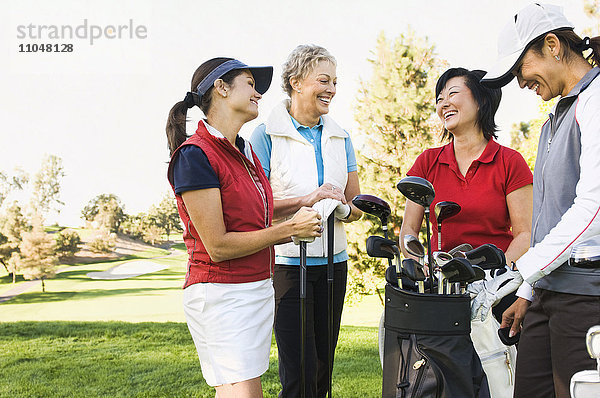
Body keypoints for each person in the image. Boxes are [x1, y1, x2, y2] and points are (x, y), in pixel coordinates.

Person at [165, 57, 322, 398]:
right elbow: (217, 245)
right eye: (250, 84)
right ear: (221, 88)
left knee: (239, 392)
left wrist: (308, 199)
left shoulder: (245, 150)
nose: (258, 94)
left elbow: (258, 212)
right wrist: (290, 230)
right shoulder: (196, 155)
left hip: (255, 290)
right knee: (246, 394)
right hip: (222, 294)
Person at [479, 3, 600, 397]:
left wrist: (521, 271)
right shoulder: (553, 121)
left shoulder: (595, 102)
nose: (519, 83)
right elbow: (551, 215)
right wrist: (529, 290)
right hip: (548, 291)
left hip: (586, 296)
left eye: (520, 69)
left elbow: (592, 207)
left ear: (552, 45)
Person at [250, 45, 362, 398]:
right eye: (323, 80)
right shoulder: (265, 135)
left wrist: (342, 207)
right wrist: (307, 200)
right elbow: (255, 210)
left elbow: (356, 203)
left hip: (334, 263)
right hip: (287, 265)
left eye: (334, 82)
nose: (331, 89)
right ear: (296, 82)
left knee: (323, 369)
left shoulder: (341, 136)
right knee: (300, 370)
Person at [400, 67, 533, 322]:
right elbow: (409, 231)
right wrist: (421, 265)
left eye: (452, 93)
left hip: (495, 286)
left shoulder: (510, 161)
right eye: (439, 99)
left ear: (481, 100)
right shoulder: (427, 162)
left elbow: (525, 234)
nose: (443, 104)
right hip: (443, 286)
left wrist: (494, 277)